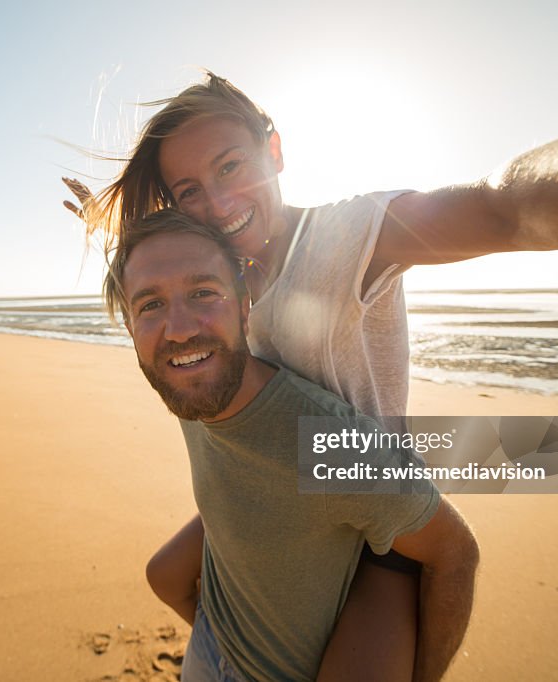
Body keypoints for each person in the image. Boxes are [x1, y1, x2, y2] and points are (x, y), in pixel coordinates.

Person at [64, 73, 558, 678]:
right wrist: (106, 223)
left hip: (369, 511)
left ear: (275, 150)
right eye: (190, 193)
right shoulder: (222, 268)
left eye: (231, 166)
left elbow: (502, 209)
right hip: (274, 482)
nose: (219, 202)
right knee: (167, 573)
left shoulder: (345, 236)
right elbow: (165, 275)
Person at [109, 208, 479, 681]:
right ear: (130, 329)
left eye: (203, 292)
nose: (179, 329)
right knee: (163, 574)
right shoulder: (190, 387)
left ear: (245, 307)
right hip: (210, 643)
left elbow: (455, 551)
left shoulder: (322, 440)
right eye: (150, 305)